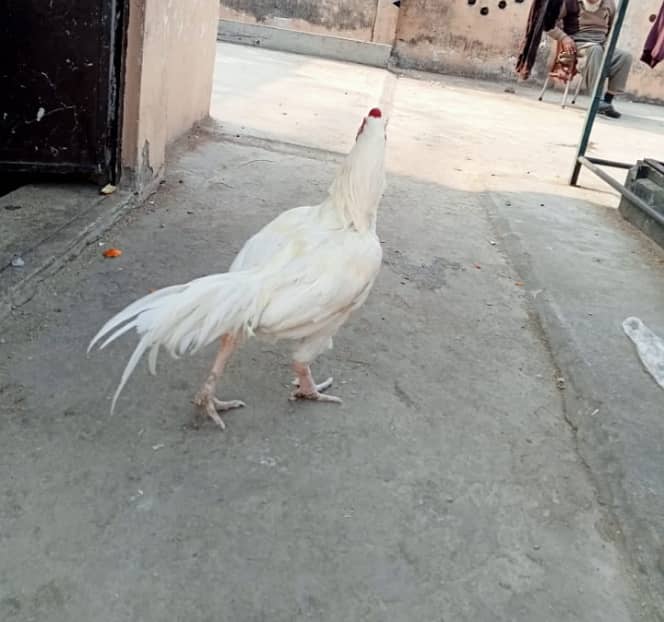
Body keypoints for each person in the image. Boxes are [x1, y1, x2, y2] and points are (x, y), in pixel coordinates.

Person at [547, 0, 633, 118]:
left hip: (601, 44)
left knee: (625, 57)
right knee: (595, 50)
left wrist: (607, 43)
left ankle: (607, 102)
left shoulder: (609, 3)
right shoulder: (570, 2)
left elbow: (612, 27)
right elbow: (549, 25)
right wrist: (564, 38)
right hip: (578, 44)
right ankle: (596, 99)